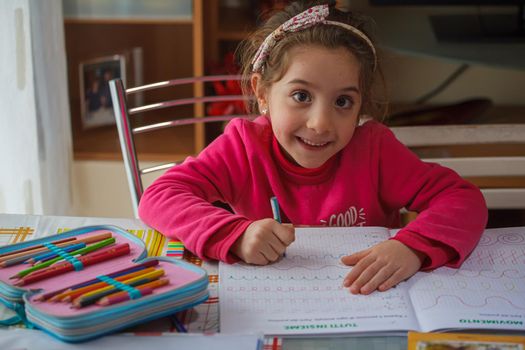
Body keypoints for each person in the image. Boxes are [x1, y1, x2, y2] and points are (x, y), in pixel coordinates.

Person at [139, 0, 487, 295]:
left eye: (343, 102)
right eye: (301, 96)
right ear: (262, 93)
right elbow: (160, 196)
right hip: (272, 304)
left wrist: (411, 247)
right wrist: (235, 234)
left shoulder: (375, 150)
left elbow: (463, 199)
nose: (320, 123)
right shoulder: (243, 146)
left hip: (371, 307)